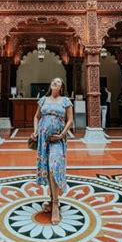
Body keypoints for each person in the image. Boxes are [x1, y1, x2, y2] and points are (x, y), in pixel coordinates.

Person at [30, 77, 73, 225]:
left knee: (55, 166)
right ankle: (52, 199)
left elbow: (70, 120)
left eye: (59, 81)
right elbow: (36, 117)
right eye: (54, 81)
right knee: (48, 169)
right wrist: (35, 132)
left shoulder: (65, 101)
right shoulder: (43, 100)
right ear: (51, 85)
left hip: (57, 140)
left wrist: (62, 134)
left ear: (61, 86)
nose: (55, 82)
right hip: (43, 140)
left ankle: (55, 204)